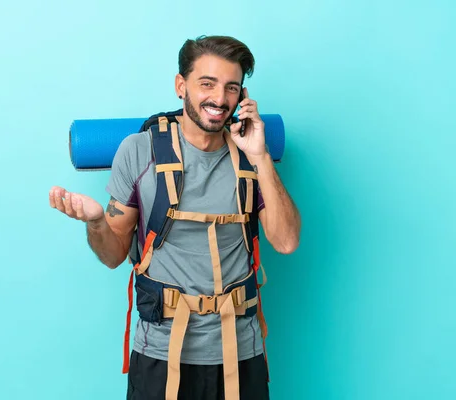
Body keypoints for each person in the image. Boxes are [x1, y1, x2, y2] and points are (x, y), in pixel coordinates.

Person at [49, 35, 301, 400]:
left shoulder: (251, 156)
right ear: (181, 86)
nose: (219, 99)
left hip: (241, 352)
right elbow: (113, 255)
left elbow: (287, 241)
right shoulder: (139, 152)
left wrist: (260, 156)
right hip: (161, 354)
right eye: (207, 84)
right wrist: (97, 222)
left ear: (242, 96)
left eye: (232, 87)